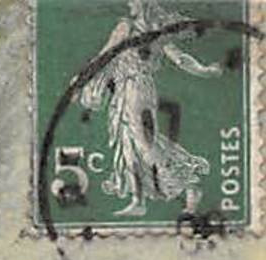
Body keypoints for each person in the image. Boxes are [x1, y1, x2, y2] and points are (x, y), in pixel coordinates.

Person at [78, 0, 222, 218]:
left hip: (132, 89)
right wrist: (205, 70)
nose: (129, 4)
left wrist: (80, 81)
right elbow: (181, 59)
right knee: (130, 143)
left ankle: (188, 187)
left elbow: (104, 55)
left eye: (134, 1)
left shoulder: (126, 27)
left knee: (143, 143)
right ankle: (138, 200)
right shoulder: (158, 32)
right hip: (139, 89)